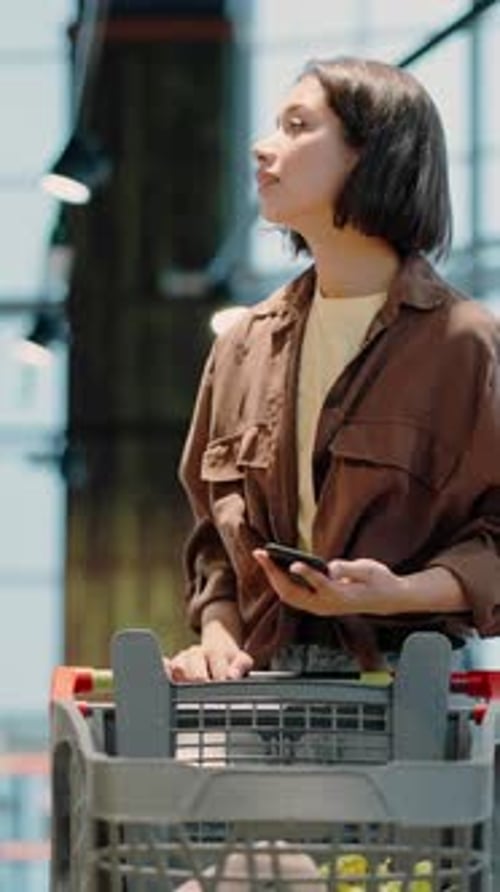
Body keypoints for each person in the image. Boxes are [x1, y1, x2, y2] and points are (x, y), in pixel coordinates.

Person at [168, 56, 500, 682]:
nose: (263, 147)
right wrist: (216, 636)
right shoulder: (242, 347)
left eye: (297, 126)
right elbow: (213, 540)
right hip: (258, 695)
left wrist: (399, 594)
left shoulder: (464, 344)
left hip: (409, 692)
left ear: (372, 154)